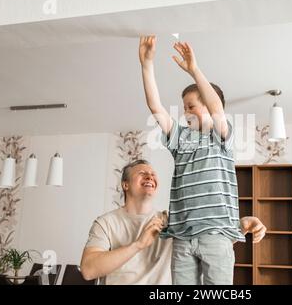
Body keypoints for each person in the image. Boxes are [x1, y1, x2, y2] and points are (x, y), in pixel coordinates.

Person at [139, 36, 252, 285]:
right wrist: (147, 64)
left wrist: (194, 71)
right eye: (184, 108)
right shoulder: (180, 138)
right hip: (182, 236)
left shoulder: (221, 136)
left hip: (216, 235)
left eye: (191, 107)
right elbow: (155, 107)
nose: (186, 113)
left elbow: (216, 109)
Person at [80, 160, 266, 285]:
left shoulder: (175, 219)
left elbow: (208, 245)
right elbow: (88, 270)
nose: (150, 176)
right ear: (125, 185)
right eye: (142, 173)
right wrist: (138, 244)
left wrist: (241, 227)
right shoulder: (105, 223)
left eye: (153, 174)